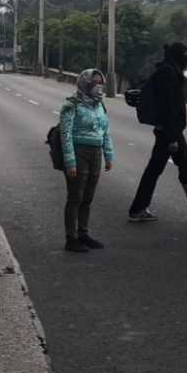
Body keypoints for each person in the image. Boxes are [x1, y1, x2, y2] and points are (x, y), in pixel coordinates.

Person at [128, 43, 187, 223]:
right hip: (169, 131)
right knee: (184, 166)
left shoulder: (167, 71)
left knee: (156, 169)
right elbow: (168, 107)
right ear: (178, 55)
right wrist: (172, 137)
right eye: (186, 53)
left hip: (168, 130)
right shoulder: (169, 74)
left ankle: (139, 206)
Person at [60, 69, 114, 252]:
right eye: (94, 83)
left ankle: (83, 233)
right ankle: (71, 238)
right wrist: (70, 161)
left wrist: (109, 155)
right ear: (84, 83)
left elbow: (105, 130)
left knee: (88, 196)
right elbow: (65, 133)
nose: (97, 86)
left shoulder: (99, 105)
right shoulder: (72, 104)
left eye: (100, 82)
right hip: (78, 151)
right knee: (76, 196)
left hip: (95, 153)